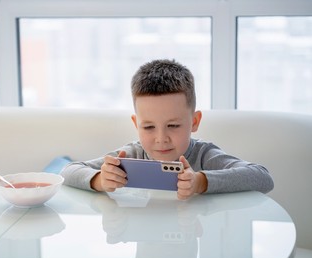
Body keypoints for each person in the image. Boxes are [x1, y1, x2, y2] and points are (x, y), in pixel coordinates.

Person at [61, 59, 274, 199]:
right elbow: (68, 170)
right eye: (149, 127)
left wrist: (201, 182)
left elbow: (263, 178)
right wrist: (99, 179)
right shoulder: (132, 155)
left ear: (194, 121)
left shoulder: (204, 156)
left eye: (173, 125)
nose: (161, 139)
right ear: (136, 124)